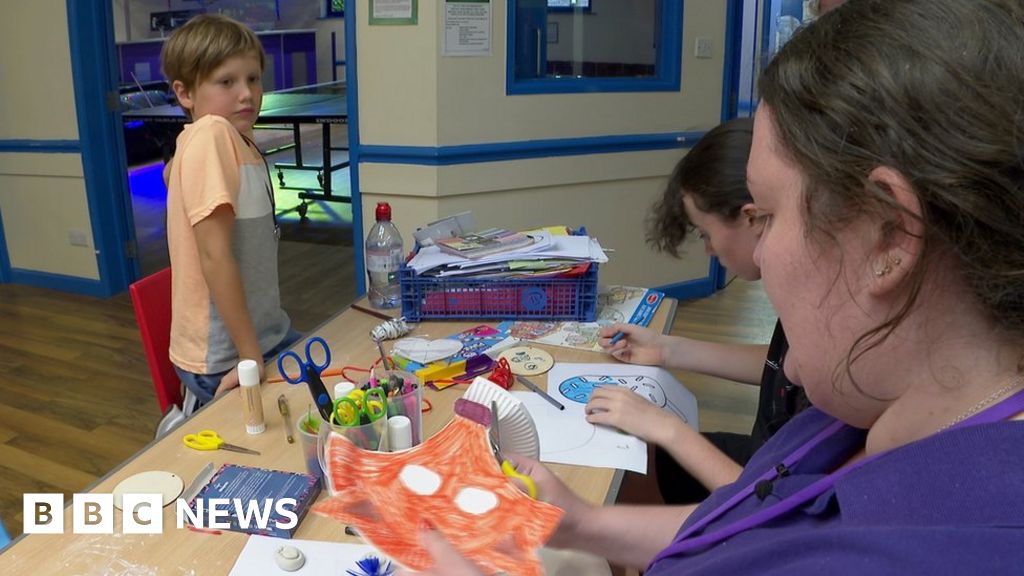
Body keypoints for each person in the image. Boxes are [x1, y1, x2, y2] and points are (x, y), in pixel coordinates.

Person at [401, 0, 1024, 573]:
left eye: (771, 214)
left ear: (889, 237)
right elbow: (758, 524)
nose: (760, 253)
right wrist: (583, 523)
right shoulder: (871, 408)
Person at [588, 118, 807, 505]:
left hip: (764, 495)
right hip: (764, 459)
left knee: (635, 467)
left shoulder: (829, 326)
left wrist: (667, 428)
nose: (708, 249)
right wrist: (667, 350)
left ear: (751, 216)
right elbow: (784, 367)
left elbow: (772, 510)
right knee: (640, 460)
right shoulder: (808, 323)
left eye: (706, 234)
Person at [161, 14, 299, 406]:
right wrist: (249, 358)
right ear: (185, 93)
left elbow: (172, 175)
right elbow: (214, 254)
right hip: (228, 354)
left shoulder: (232, 137)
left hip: (268, 333)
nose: (247, 94)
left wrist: (180, 164)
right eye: (227, 82)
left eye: (253, 79)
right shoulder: (212, 134)